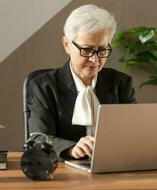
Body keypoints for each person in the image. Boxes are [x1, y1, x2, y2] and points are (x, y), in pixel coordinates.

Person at [28, 4, 136, 160]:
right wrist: (72, 149)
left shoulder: (121, 83)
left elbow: (134, 133)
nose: (95, 59)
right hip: (65, 173)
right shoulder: (43, 86)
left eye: (102, 50)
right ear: (67, 45)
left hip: (114, 166)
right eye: (86, 50)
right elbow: (38, 139)